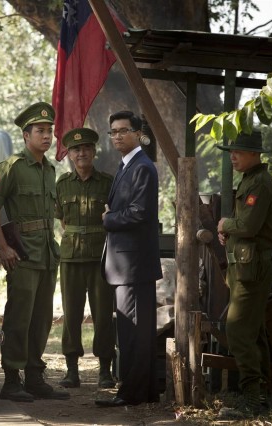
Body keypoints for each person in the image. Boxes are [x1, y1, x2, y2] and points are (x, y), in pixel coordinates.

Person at [0, 102, 68, 402]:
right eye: (40, 131)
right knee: (20, 317)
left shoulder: (49, 169)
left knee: (43, 318)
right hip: (23, 253)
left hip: (47, 253)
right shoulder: (12, 166)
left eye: (50, 131)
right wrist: (3, 247)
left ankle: (34, 376)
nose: (47, 136)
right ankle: (11, 379)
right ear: (25, 135)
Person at [96, 110, 162, 407]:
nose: (117, 136)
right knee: (135, 330)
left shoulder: (142, 167)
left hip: (133, 265)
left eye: (124, 130)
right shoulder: (127, 165)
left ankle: (131, 393)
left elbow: (140, 212)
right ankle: (144, 390)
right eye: (113, 132)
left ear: (138, 133)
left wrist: (109, 219)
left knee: (133, 332)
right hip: (127, 264)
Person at [215, 131, 272, 419]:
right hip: (245, 266)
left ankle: (253, 398)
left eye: (238, 151)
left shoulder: (260, 184)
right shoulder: (251, 179)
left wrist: (225, 224)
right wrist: (229, 232)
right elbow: (245, 228)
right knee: (254, 331)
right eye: (231, 151)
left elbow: (249, 225)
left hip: (252, 270)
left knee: (238, 330)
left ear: (255, 154)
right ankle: (262, 396)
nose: (233, 156)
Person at [55, 127, 116, 389]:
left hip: (101, 257)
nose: (82, 153)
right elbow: (61, 220)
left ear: (94, 151)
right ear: (69, 154)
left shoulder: (108, 182)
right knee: (71, 315)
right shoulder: (62, 185)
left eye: (86, 148)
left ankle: (104, 370)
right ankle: (72, 370)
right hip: (70, 258)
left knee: (103, 314)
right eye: (76, 149)